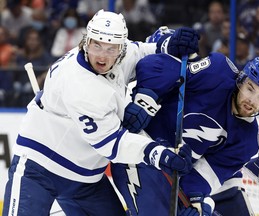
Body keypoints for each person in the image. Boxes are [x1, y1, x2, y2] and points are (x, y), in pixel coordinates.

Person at [2, 9, 197, 216]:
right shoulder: (80, 85)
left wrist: (169, 44)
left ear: (120, 49)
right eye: (97, 46)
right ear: (86, 42)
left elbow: (141, 52)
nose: (102, 56)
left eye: (111, 48)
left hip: (86, 179)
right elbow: (111, 143)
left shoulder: (118, 53)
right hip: (39, 170)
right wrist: (159, 154)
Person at [111, 28, 259, 215]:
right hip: (140, 150)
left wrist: (197, 202)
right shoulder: (217, 72)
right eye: (250, 89)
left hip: (170, 172)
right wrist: (146, 100)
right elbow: (155, 65)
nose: (252, 100)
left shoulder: (247, 143)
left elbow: (204, 176)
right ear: (241, 81)